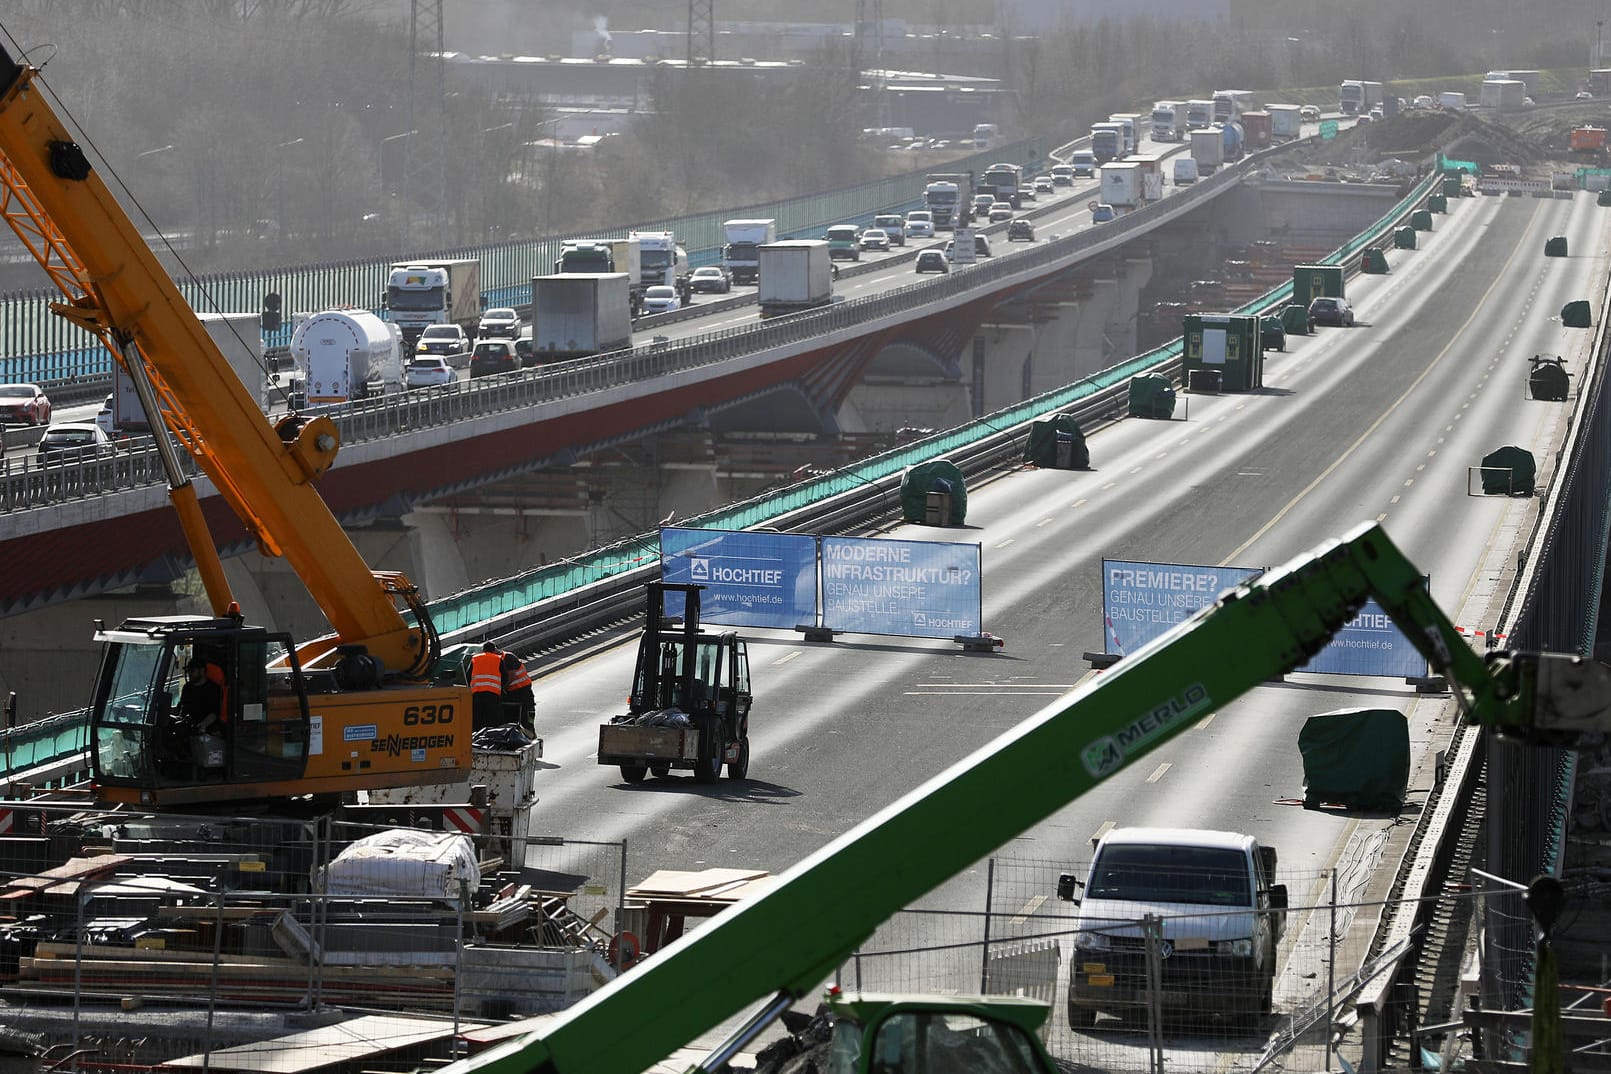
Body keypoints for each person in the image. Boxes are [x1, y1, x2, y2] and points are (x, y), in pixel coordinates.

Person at [469, 641, 505, 730]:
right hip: (493, 695)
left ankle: (476, 740)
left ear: (483, 649)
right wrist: (501, 688)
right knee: (493, 720)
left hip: (477, 694)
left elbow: (468, 675)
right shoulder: (498, 659)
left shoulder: (475, 658)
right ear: (493, 649)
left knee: (477, 720)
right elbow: (505, 676)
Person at [500, 650, 536, 734]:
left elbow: (511, 675)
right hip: (512, 693)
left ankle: (530, 733)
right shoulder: (500, 658)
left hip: (523, 691)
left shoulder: (507, 657)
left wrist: (502, 688)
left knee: (526, 715)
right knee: (511, 718)